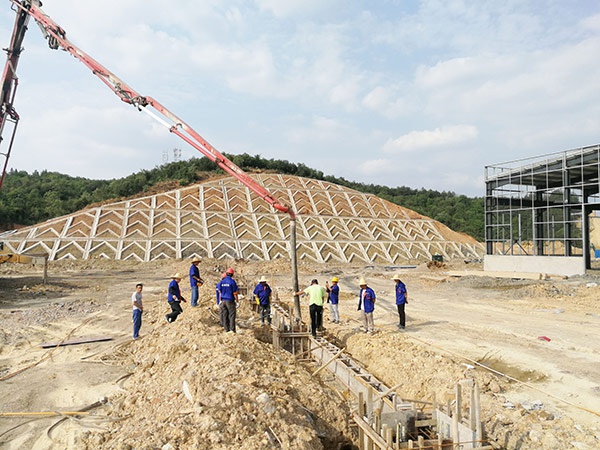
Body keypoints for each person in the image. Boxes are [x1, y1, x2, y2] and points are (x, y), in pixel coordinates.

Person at [216, 268, 239, 332]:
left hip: (223, 300)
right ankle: (232, 330)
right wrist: (237, 301)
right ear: (232, 275)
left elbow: (219, 291)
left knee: (225, 315)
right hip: (230, 300)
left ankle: (226, 329)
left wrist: (219, 300)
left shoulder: (222, 282)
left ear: (226, 273)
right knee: (231, 315)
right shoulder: (232, 282)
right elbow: (235, 292)